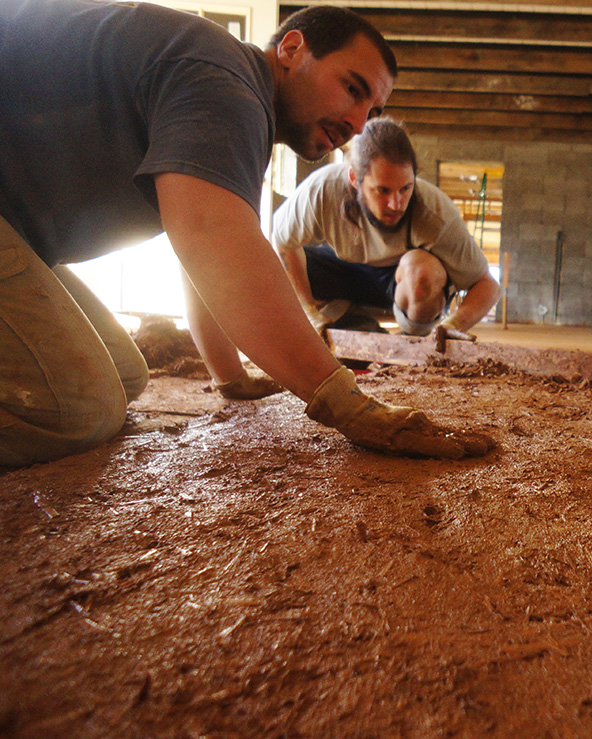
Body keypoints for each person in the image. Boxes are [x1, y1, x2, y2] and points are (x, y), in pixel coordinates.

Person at [0, 0, 490, 467]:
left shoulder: (231, 97)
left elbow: (199, 258)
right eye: (352, 88)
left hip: (19, 234)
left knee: (125, 374)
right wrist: (350, 406)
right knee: (79, 409)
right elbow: (216, 241)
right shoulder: (224, 80)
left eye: (373, 110)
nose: (359, 124)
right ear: (292, 49)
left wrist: (230, 376)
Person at [272, 117, 502, 339]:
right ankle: (353, 321)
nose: (396, 204)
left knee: (424, 274)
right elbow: (282, 241)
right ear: (354, 179)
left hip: (399, 282)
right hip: (340, 269)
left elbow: (487, 285)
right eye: (382, 191)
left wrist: (454, 325)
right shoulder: (323, 190)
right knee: (274, 268)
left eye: (405, 188)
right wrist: (308, 312)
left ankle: (411, 340)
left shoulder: (435, 213)